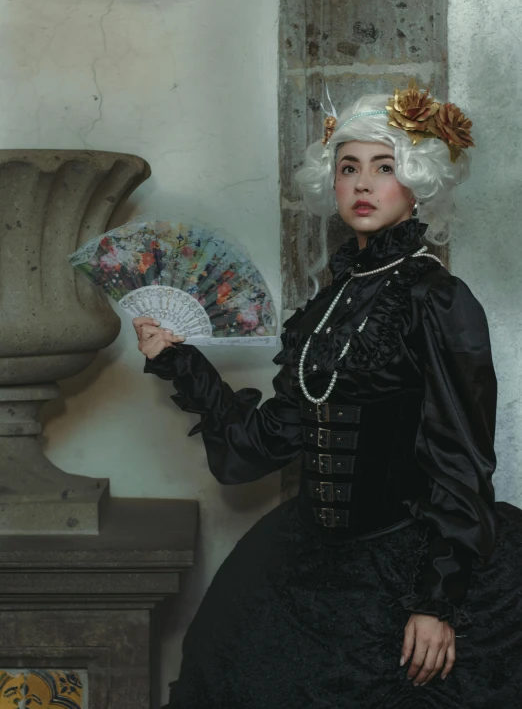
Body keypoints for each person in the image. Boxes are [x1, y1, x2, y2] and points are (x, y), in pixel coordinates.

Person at [135, 81, 522, 708]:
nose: (363, 184)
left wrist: (436, 602)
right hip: (306, 558)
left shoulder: (437, 299)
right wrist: (180, 361)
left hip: (404, 560)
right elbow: (265, 442)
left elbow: (462, 457)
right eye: (348, 168)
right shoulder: (329, 303)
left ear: (416, 182)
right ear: (331, 184)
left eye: (384, 167)